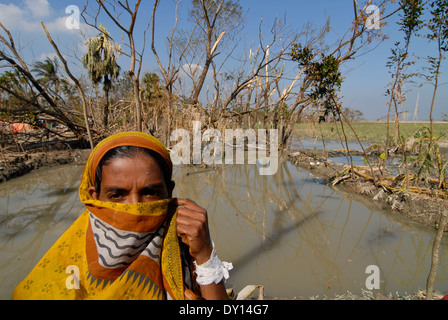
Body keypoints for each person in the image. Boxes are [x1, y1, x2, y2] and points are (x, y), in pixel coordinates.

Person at [12, 131, 232, 300]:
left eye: (150, 193)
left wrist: (204, 255)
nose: (135, 207)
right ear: (94, 196)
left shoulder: (184, 240)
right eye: (117, 195)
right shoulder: (69, 257)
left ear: (169, 191)